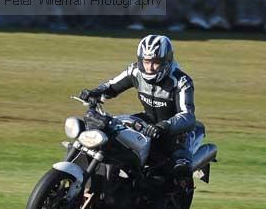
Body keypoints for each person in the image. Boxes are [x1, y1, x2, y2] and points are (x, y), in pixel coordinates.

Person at [78, 34, 195, 177]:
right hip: (147, 121)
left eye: (155, 62)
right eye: (146, 62)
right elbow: (111, 86)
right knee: (113, 131)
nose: (150, 68)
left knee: (179, 168)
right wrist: (94, 93)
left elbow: (187, 116)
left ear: (167, 60)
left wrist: (164, 126)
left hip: (173, 131)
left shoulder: (181, 81)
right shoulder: (135, 72)